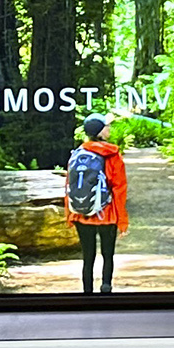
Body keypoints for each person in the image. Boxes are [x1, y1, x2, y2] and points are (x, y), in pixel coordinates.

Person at [63, 114, 129, 297]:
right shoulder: (113, 155)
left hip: (81, 215)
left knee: (88, 257)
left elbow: (69, 186)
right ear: (100, 131)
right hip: (106, 214)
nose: (109, 129)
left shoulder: (77, 154)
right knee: (108, 255)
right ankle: (106, 290)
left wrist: (70, 214)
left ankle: (87, 294)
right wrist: (122, 221)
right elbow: (119, 189)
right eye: (106, 127)